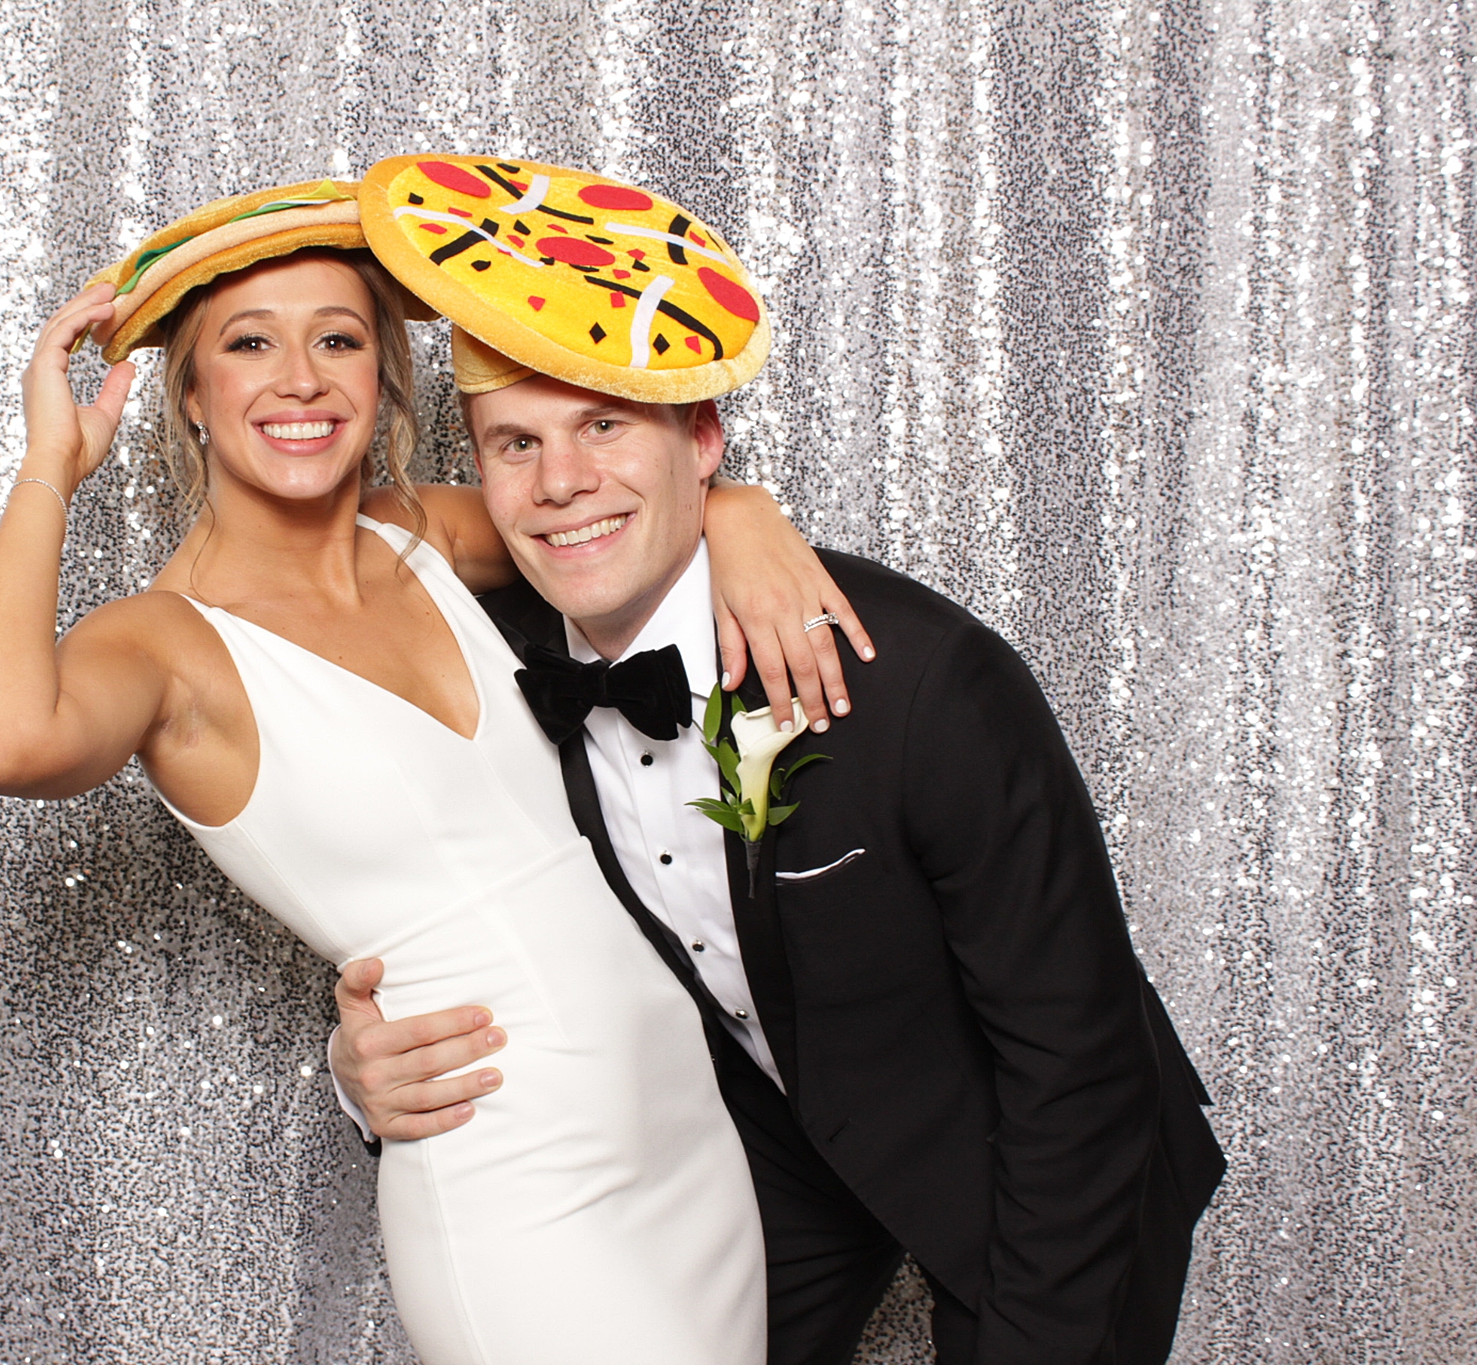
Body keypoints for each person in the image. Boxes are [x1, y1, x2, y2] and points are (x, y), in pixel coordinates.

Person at [0, 177, 875, 1365]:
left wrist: (740, 508)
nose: (300, 377)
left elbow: (610, 513)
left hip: (691, 1148)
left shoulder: (421, 535)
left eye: (338, 338)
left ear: (380, 379)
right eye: (249, 344)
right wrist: (49, 473)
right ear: (193, 397)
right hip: (512, 1181)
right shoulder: (163, 645)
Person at [332, 154, 1227, 1365]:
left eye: (604, 424)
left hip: (1040, 1153)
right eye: (513, 443)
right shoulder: (488, 682)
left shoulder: (919, 679)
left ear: (703, 438)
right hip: (773, 1145)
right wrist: (366, 1072)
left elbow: (1076, 1064)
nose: (560, 484)